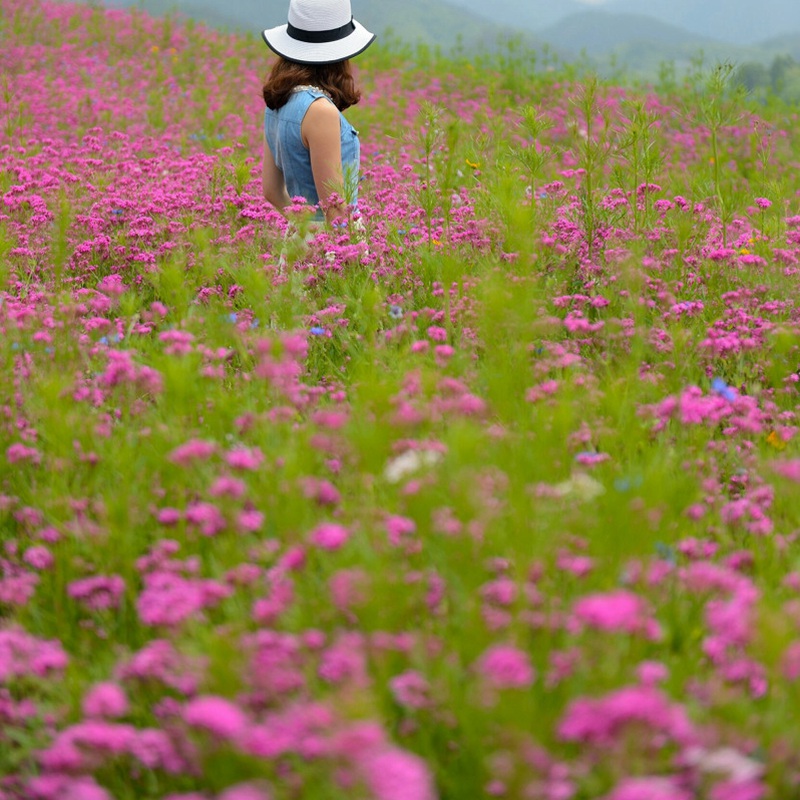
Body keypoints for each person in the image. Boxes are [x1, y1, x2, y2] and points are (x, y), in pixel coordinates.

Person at [261, 0, 375, 229]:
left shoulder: (277, 101)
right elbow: (334, 208)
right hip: (335, 243)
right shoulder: (321, 111)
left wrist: (305, 229)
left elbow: (272, 191)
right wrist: (344, 251)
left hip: (300, 241)